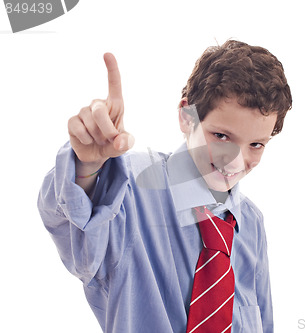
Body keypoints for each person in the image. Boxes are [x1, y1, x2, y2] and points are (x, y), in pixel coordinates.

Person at [38, 40, 292, 333]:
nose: (235, 162)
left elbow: (262, 317)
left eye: (256, 145)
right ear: (187, 116)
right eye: (221, 136)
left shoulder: (250, 222)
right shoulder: (129, 188)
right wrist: (86, 167)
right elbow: (71, 218)